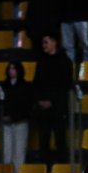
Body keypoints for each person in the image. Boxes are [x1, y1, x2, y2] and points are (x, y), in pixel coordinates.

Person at [31, 33, 73, 161]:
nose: (44, 45)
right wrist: (39, 101)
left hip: (58, 108)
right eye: (43, 43)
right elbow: (36, 83)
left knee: (60, 139)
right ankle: (46, 167)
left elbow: (65, 86)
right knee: (43, 140)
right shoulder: (41, 61)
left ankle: (62, 167)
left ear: (55, 42)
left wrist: (52, 101)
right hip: (42, 109)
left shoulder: (65, 61)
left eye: (46, 42)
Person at [0, 61, 32, 171]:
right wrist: (2, 117)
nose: (11, 71)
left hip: (21, 123)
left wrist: (14, 117)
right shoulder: (2, 86)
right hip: (5, 124)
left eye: (14, 68)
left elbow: (28, 106)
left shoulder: (25, 87)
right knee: (6, 152)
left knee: (19, 152)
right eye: (10, 68)